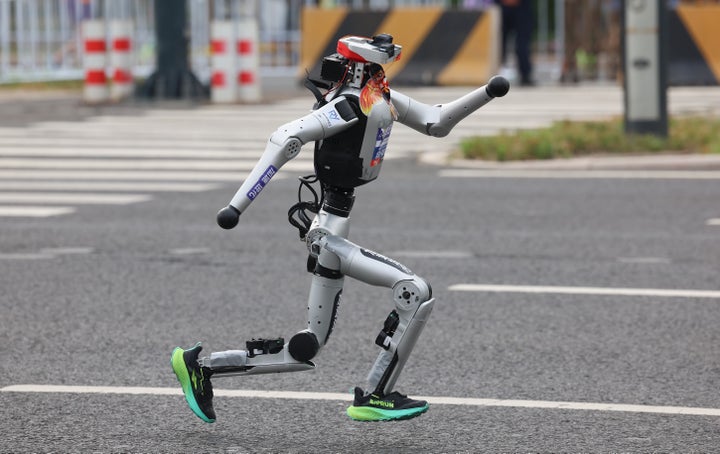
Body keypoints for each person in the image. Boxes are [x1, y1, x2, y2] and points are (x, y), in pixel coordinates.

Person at [171, 34, 509, 423]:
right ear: (360, 68)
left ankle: (201, 368)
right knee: (415, 291)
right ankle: (376, 395)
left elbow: (435, 122)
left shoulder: (377, 99)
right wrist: (237, 205)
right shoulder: (346, 105)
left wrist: (487, 92)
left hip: (332, 223)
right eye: (376, 67)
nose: (382, 72)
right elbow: (286, 137)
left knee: (306, 347)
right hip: (326, 237)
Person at [497, 0, 534, 86]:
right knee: (499, 43)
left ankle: (525, 74)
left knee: (521, 43)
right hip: (514, 6)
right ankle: (525, 75)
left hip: (518, 6)